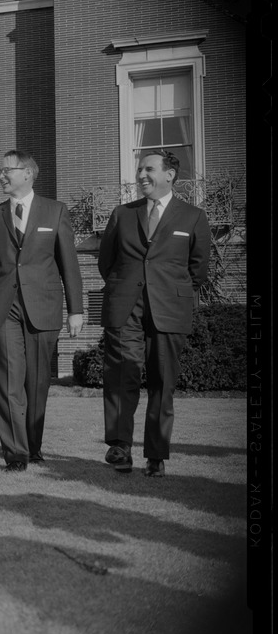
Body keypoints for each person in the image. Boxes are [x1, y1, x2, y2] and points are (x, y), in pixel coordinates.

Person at [0, 150, 84, 472]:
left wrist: (76, 309)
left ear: (28, 173)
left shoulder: (55, 211)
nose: (1, 176)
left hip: (43, 307)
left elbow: (69, 264)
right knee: (8, 381)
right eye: (0, 171)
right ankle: (16, 454)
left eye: (7, 171)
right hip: (2, 307)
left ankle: (33, 447)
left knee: (36, 383)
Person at [99, 149, 210, 478]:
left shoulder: (192, 217)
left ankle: (156, 456)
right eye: (139, 169)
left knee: (162, 383)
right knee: (121, 376)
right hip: (125, 307)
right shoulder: (122, 214)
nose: (141, 175)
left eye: (148, 169)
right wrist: (124, 286)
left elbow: (198, 270)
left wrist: (169, 290)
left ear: (169, 175)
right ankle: (120, 447)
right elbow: (107, 262)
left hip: (169, 310)